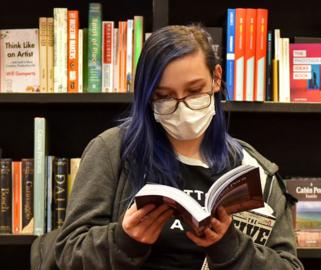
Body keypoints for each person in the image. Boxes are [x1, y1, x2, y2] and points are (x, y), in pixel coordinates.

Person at [54, 25, 303, 270]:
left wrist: (231, 248)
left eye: (194, 91)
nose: (181, 107)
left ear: (216, 79)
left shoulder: (252, 169)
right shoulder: (112, 151)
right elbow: (68, 254)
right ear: (147, 96)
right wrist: (123, 241)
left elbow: (288, 265)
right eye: (164, 96)